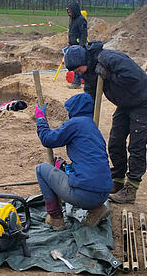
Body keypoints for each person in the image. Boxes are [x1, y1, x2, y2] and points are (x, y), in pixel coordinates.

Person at [64, 42, 147, 204]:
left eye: (78, 69)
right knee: (115, 141)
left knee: (136, 144)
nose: (78, 73)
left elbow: (133, 77)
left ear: (83, 60)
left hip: (141, 99)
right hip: (124, 103)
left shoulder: (108, 59)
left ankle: (131, 188)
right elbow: (91, 95)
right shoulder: (90, 70)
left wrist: (109, 76)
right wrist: (84, 120)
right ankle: (118, 179)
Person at [34, 93, 112, 230]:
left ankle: (55, 218)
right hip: (104, 193)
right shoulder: (92, 127)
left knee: (41, 169)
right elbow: (90, 163)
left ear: (75, 110)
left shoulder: (76, 123)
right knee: (73, 174)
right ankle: (97, 209)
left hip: (84, 194)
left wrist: (40, 119)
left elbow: (48, 139)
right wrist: (66, 168)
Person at [66, 3, 88, 90]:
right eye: (68, 12)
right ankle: (77, 81)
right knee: (74, 64)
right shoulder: (72, 19)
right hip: (72, 45)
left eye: (70, 12)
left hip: (78, 46)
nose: (69, 14)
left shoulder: (81, 20)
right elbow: (71, 31)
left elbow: (84, 33)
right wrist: (69, 41)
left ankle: (77, 82)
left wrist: (81, 45)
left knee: (78, 64)